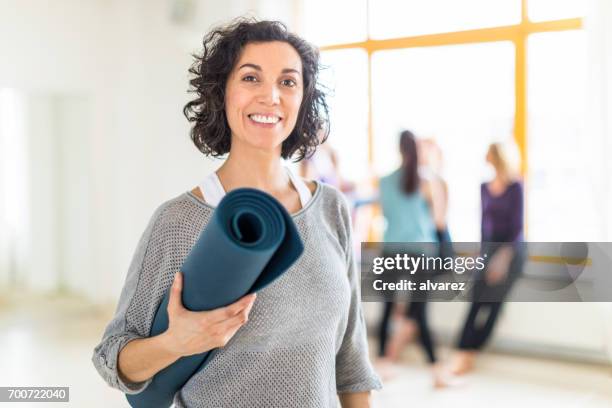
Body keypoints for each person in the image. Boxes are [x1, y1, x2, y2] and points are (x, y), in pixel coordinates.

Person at [92, 19, 381, 408]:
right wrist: (174, 342)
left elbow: (350, 360)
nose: (271, 96)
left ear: (303, 98)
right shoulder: (178, 222)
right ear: (222, 93)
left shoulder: (331, 208)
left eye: (288, 82)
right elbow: (112, 358)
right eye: (250, 78)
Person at [376, 130, 449, 388]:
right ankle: (438, 371)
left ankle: (383, 364)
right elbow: (439, 221)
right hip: (421, 252)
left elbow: (386, 214)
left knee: (387, 309)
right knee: (420, 313)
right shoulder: (427, 180)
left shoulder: (384, 181)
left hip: (391, 250)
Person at [451, 141, 526, 375]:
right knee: (475, 300)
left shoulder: (516, 187)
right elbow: (484, 225)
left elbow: (516, 229)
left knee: (493, 305)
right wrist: (481, 255)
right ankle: (461, 353)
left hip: (511, 253)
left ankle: (471, 353)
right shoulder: (484, 187)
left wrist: (501, 260)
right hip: (489, 249)